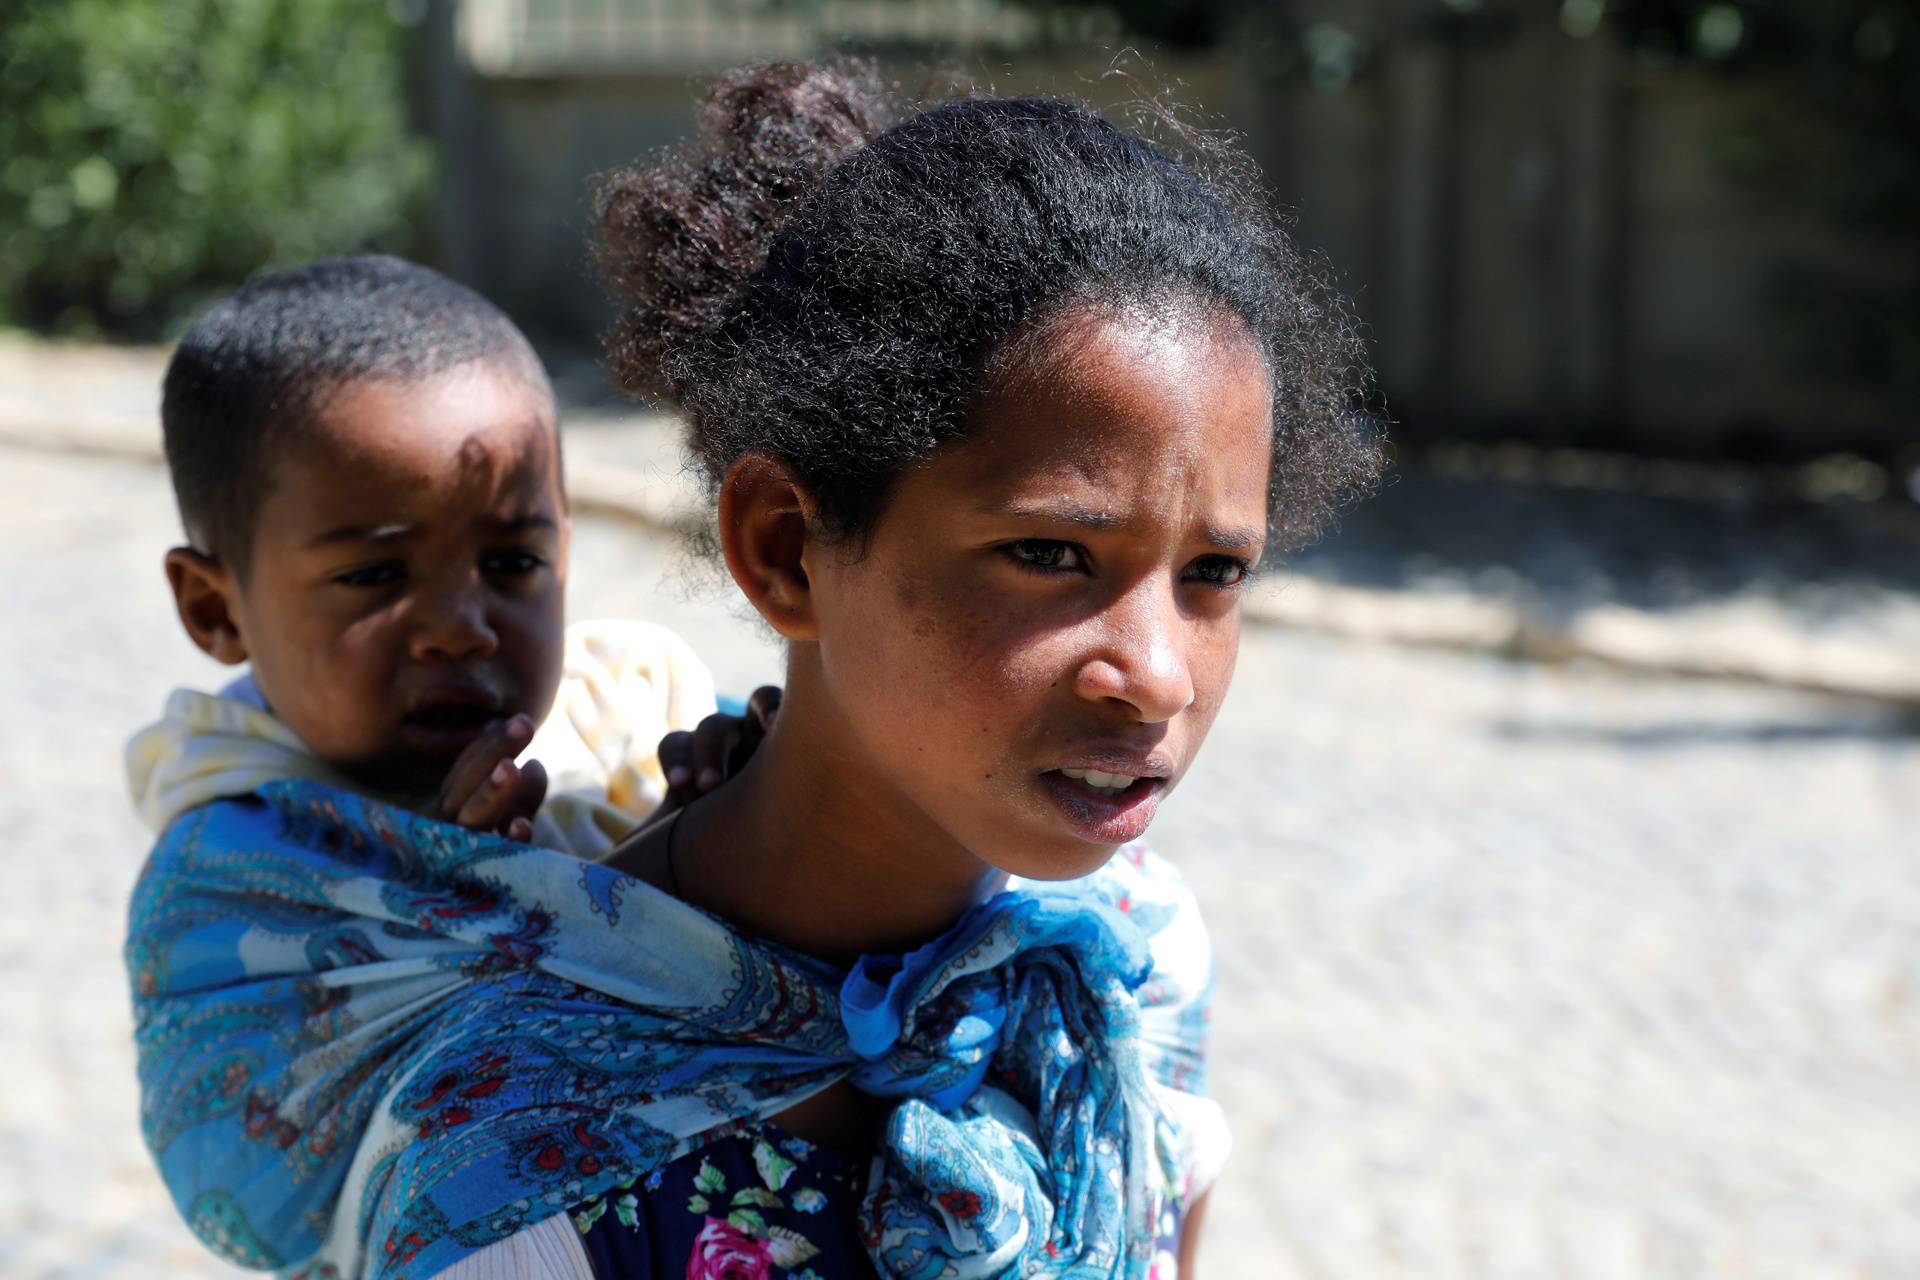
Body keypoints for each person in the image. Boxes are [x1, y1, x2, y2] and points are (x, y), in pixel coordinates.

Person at [127, 63, 1380, 1279]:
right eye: (1050, 552)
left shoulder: (1126, 968)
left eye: (1215, 573)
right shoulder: (516, 1172)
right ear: (784, 548)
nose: (1156, 674)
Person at [127, 253, 752, 862]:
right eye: (374, 574)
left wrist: (739, 788)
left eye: (513, 563)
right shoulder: (231, 864)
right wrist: (463, 883)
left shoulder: (631, 707)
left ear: (562, 553)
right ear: (217, 610)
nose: (460, 630)